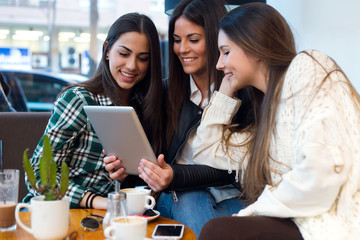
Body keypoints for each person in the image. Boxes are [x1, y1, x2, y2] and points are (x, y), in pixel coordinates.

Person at [190, 3, 360, 240]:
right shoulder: (268, 118)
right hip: (305, 223)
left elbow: (321, 171)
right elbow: (206, 150)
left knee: (217, 231)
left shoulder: (307, 65)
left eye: (226, 52)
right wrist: (226, 88)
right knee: (216, 227)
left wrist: (253, 211)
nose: (218, 64)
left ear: (256, 46)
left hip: (338, 223)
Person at [104, 0, 253, 237]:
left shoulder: (244, 94)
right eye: (176, 40)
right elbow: (148, 157)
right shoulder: (164, 93)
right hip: (175, 196)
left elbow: (237, 167)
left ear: (218, 39)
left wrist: (177, 175)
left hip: (230, 195)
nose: (182, 49)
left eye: (193, 40)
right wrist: (125, 167)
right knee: (190, 198)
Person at [23, 12, 165, 209]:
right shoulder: (80, 99)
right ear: (107, 50)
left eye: (142, 58)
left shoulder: (147, 108)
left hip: (114, 216)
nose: (132, 66)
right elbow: (39, 173)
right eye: (124, 54)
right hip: (60, 211)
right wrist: (98, 201)